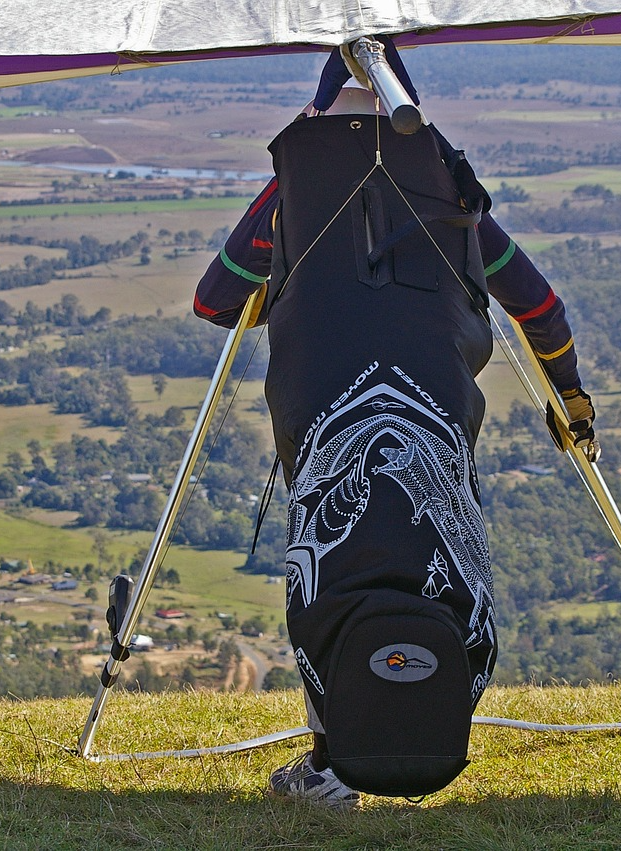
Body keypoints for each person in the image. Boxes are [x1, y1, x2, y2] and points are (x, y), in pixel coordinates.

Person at [194, 46, 595, 808]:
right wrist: (570, 396)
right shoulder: (448, 191)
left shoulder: (295, 193)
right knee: (435, 551)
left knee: (331, 563)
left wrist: (296, 266)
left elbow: (216, 301)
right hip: (433, 407)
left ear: (317, 118)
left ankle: (334, 763)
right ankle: (426, 718)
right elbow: (540, 309)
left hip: (320, 411)